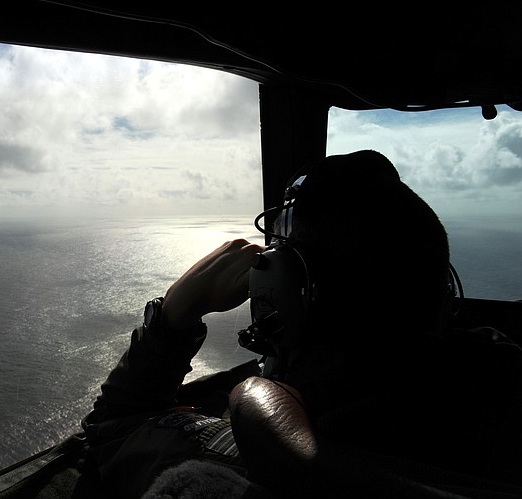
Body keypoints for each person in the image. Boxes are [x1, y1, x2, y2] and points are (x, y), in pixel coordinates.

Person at [80, 150, 522, 499]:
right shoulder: (502, 390)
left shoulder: (232, 464)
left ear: (286, 291)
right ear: (440, 289)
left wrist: (176, 312)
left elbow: (112, 432)